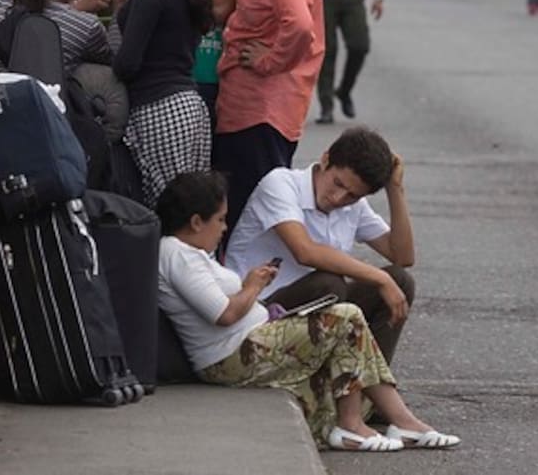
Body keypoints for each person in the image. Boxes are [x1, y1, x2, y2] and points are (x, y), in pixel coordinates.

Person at [157, 171, 460, 452]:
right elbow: (224, 315)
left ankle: (389, 423)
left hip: (249, 341)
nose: (224, 228)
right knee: (346, 316)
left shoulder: (195, 254)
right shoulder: (177, 254)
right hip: (230, 354)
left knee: (348, 390)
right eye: (220, 220)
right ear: (196, 222)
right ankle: (360, 425)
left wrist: (253, 287)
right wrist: (252, 287)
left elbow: (404, 256)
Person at [225, 126, 414, 364]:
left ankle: (370, 379)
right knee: (329, 284)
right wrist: (380, 278)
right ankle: (324, 373)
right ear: (325, 159)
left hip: (315, 307)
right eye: (338, 183)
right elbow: (305, 252)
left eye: (352, 195)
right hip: (259, 309)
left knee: (400, 280)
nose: (338, 198)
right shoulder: (281, 183)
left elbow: (402, 256)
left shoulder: (353, 206)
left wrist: (395, 189)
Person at [212, 0, 324, 233]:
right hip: (260, 101)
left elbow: (300, 25)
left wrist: (268, 60)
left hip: (261, 105)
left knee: (249, 216)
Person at [112, 0, 214, 205]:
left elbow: (127, 63)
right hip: (192, 109)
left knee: (166, 210)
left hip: (157, 110)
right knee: (190, 208)